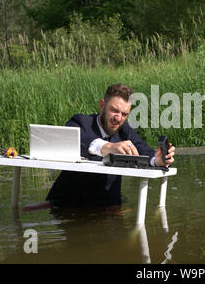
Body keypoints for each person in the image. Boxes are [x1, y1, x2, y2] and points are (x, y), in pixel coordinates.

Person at [22, 84, 175, 211]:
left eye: (124, 114)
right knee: (24, 212)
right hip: (66, 202)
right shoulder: (80, 122)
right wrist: (107, 147)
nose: (118, 118)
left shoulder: (126, 131)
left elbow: (145, 152)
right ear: (102, 105)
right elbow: (75, 141)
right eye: (114, 110)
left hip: (108, 205)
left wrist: (159, 160)